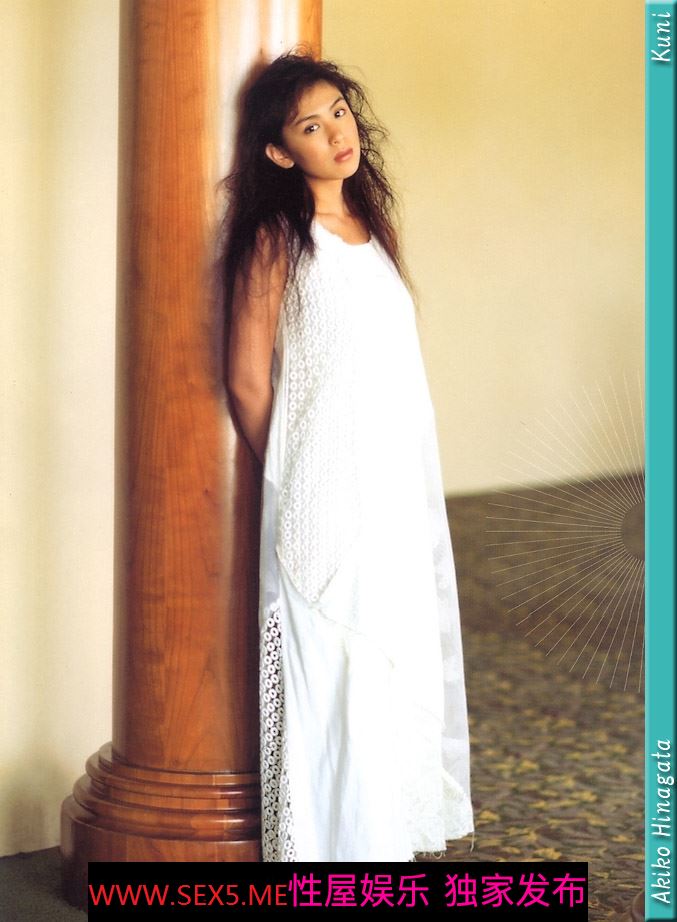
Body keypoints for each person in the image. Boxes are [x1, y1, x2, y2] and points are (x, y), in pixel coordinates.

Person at [219, 51, 474, 862]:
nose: (337, 132)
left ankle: (379, 855)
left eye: (339, 111)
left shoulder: (370, 230)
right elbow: (245, 380)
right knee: (334, 674)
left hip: (391, 490)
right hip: (322, 496)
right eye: (310, 125)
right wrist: (298, 475)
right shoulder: (276, 240)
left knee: (389, 668)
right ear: (277, 151)